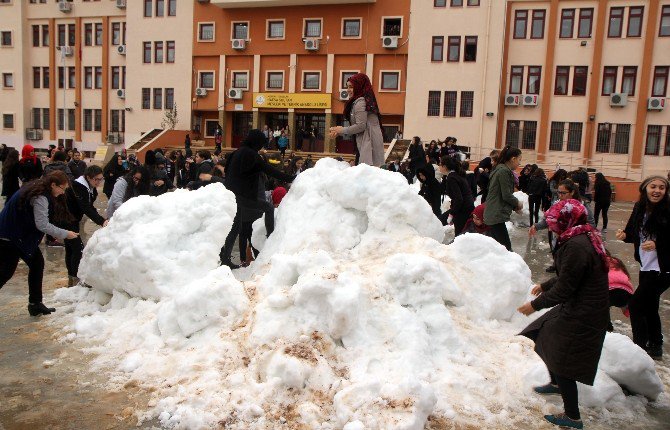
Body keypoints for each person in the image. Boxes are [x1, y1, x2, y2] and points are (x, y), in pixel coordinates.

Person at [518, 198, 609, 430]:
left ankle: (572, 417)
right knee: (540, 331)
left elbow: (567, 287)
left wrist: (535, 305)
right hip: (580, 304)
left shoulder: (577, 245)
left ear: (566, 220)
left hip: (584, 311)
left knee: (564, 360)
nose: (550, 225)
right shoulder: (580, 235)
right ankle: (556, 384)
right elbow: (571, 276)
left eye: (553, 221)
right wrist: (546, 285)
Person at [0, 171, 79, 316]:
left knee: (37, 263)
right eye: (62, 189)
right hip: (10, 235)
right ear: (53, 184)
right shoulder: (40, 196)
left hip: (21, 235)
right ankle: (35, 303)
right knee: (5, 271)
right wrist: (65, 234)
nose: (62, 193)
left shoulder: (40, 188)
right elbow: (42, 224)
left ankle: (35, 304)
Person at [220, 129, 295, 269]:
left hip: (231, 195)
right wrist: (291, 178)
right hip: (242, 195)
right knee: (268, 207)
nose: (262, 146)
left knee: (236, 228)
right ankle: (270, 237)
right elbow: (269, 170)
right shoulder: (251, 154)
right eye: (261, 143)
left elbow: (228, 171)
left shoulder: (236, 152)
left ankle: (225, 259)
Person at [616, 176, 670, 360]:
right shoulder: (640, 208)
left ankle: (639, 350)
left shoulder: (668, 210)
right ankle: (655, 344)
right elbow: (632, 233)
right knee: (650, 305)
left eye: (662, 188)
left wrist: (658, 244)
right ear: (645, 188)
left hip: (663, 269)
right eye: (653, 186)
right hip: (646, 265)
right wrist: (624, 235)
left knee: (636, 305)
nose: (657, 190)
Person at [64, 165, 108, 287]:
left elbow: (90, 206)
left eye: (101, 179)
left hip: (73, 219)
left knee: (71, 248)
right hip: (67, 219)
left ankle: (72, 278)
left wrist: (102, 219)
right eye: (96, 179)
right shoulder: (78, 187)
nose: (99, 182)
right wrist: (101, 221)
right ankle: (75, 279)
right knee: (77, 248)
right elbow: (85, 207)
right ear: (88, 177)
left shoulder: (90, 187)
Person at [329, 73, 384, 167]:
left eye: (351, 87)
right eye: (347, 87)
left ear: (359, 86)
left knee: (366, 176)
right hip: (365, 144)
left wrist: (341, 130)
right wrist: (339, 131)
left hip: (368, 145)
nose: (348, 90)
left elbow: (360, 126)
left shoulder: (360, 102)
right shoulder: (362, 101)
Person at [483, 146, 523, 251]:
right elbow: (506, 195)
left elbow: (500, 194)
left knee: (498, 249)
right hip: (496, 215)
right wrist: (518, 203)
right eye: (519, 160)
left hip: (494, 214)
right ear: (513, 159)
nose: (519, 163)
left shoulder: (500, 169)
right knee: (506, 249)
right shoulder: (504, 171)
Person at [439, 156, 475, 234]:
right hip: (465, 206)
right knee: (441, 220)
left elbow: (459, 198)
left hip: (463, 208)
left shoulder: (452, 178)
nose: (439, 167)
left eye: (440, 164)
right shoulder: (455, 174)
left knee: (460, 233)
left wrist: (452, 214)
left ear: (444, 167)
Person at [606, 251, 633, 332]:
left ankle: (608, 327)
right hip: (626, 291)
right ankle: (627, 309)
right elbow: (627, 276)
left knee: (603, 307)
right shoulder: (617, 262)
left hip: (609, 291)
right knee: (627, 305)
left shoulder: (598, 262)